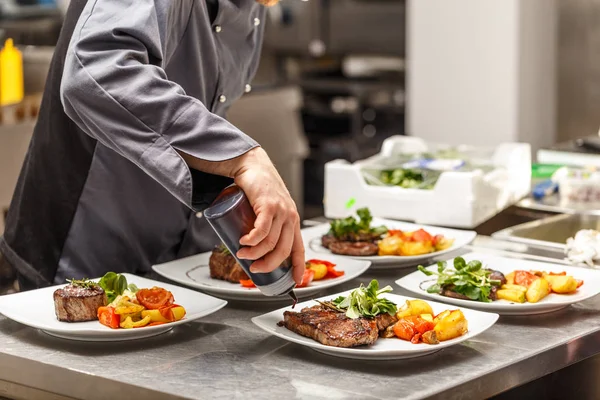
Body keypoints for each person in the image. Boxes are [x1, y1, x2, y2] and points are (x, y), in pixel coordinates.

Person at [0, 0, 305, 290]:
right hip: (83, 254)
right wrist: (242, 157)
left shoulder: (255, 8)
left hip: (179, 260)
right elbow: (97, 71)